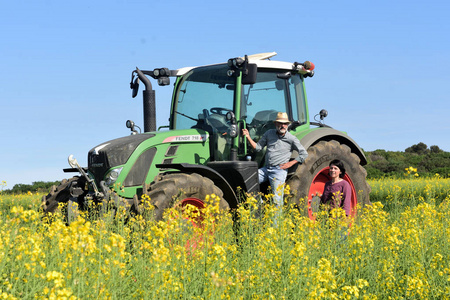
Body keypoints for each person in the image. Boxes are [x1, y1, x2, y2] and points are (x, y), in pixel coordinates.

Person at [242, 112, 308, 211]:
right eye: (280, 123)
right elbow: (258, 148)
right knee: (249, 180)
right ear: (275, 124)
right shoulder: (269, 133)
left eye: (285, 123)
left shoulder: (291, 138)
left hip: (279, 171)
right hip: (266, 168)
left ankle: (276, 226)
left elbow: (304, 154)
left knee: (277, 201)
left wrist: (290, 163)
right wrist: (247, 136)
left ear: (288, 125)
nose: (283, 126)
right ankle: (261, 204)